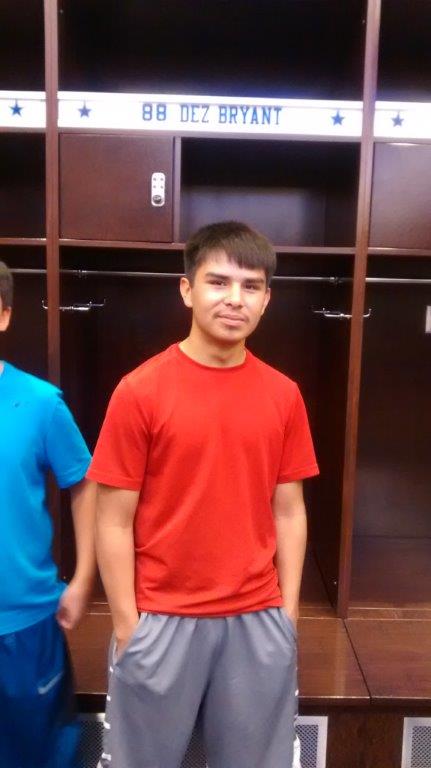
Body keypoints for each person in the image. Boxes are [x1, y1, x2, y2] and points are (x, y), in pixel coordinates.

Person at [88, 221, 319, 768]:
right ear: (187, 290)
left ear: (266, 300)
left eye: (251, 285)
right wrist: (128, 627)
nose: (234, 299)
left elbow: (289, 512)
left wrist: (286, 616)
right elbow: (112, 520)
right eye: (218, 282)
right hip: (160, 618)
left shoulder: (283, 395)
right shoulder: (139, 390)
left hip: (257, 618)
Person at [0, 261, 96, 768]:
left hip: (27, 628)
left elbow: (85, 485)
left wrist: (82, 577)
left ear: (5, 315)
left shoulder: (41, 404)